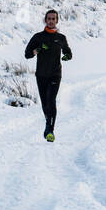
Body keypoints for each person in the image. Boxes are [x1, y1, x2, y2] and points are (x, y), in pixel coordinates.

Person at [25, 9, 72, 141]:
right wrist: (38, 49)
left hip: (55, 75)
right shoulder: (38, 37)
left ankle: (50, 129)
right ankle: (48, 123)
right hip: (41, 75)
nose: (51, 21)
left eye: (53, 19)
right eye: (49, 18)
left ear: (57, 21)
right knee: (45, 104)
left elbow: (68, 52)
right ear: (45, 20)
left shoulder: (61, 38)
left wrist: (67, 56)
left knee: (51, 101)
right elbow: (27, 54)